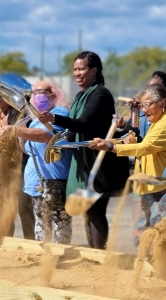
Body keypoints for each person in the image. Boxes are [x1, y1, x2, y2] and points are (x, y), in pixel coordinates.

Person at [38, 51, 129, 249]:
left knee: (95, 211)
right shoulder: (80, 96)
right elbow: (73, 129)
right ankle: (95, 252)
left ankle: (100, 255)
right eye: (75, 69)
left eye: (82, 69)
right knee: (88, 211)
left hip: (100, 162)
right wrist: (59, 142)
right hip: (83, 162)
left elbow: (84, 123)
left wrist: (54, 118)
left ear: (94, 70)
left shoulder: (100, 94)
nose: (77, 73)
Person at [90, 84, 166, 245]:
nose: (144, 110)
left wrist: (110, 146)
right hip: (154, 184)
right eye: (142, 106)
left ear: (162, 102)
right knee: (145, 234)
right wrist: (118, 142)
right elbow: (148, 146)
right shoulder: (159, 119)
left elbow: (145, 148)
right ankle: (153, 267)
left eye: (147, 105)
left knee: (164, 233)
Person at [1, 80, 73, 244]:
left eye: (41, 92)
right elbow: (27, 149)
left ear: (54, 94)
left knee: (59, 221)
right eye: (34, 93)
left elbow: (46, 136)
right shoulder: (33, 118)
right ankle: (43, 255)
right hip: (36, 180)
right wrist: (20, 134)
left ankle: (60, 255)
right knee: (41, 223)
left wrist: (16, 130)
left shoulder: (59, 113)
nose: (36, 96)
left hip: (54, 179)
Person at [0, 77, 35, 240]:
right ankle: (6, 242)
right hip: (3, 172)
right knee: (5, 210)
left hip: (19, 169)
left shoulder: (20, 116)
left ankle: (31, 243)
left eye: (0, 94)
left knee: (25, 209)